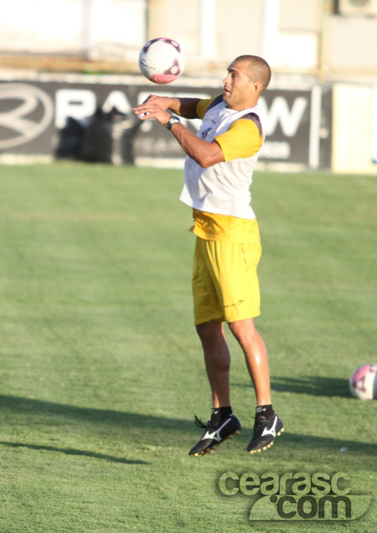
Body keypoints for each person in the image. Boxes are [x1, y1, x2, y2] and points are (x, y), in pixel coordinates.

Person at [133, 55, 283, 456]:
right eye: (227, 73)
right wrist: (164, 101)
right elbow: (191, 105)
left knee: (241, 326)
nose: (226, 80)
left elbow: (205, 154)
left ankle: (267, 414)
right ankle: (223, 415)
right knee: (206, 326)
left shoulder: (248, 128)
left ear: (254, 87)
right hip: (207, 229)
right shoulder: (219, 103)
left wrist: (169, 122)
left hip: (234, 234)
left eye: (234, 75)